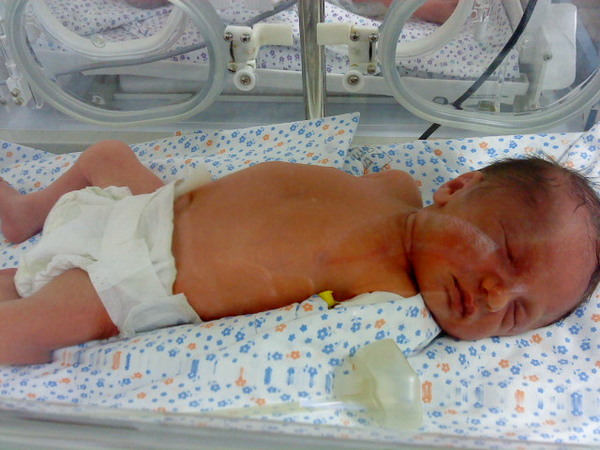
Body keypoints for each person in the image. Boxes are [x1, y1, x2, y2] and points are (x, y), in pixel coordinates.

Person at [0, 140, 598, 365]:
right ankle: (26, 215)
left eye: (517, 314)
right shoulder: (395, 187)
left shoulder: (390, 298)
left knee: (23, 326)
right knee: (105, 155)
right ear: (456, 188)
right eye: (506, 254)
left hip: (129, 280)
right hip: (156, 205)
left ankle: (20, 277)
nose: (494, 296)